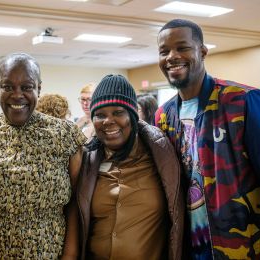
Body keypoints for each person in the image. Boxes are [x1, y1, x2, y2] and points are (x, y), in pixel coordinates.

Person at [155, 18, 260, 259]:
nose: (171, 56)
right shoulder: (164, 116)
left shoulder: (243, 101)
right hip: (191, 248)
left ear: (202, 51)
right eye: (164, 51)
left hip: (245, 246)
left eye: (182, 47)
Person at [0, 52, 86, 259]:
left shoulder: (64, 134)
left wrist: (70, 254)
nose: (17, 95)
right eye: (7, 87)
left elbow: (77, 202)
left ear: (38, 89)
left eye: (26, 87)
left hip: (50, 252)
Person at [77, 74, 184, 260]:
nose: (108, 121)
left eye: (118, 112)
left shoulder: (162, 154)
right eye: (100, 115)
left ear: (133, 116)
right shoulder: (86, 160)